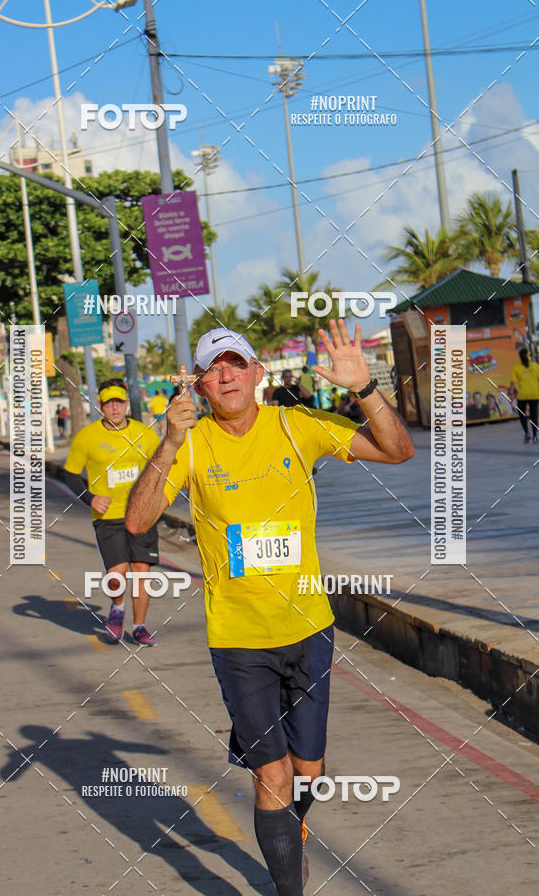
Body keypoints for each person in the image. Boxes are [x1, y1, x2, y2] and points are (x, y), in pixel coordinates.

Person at [125, 322, 414, 895]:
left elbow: (397, 450)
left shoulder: (295, 424)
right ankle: (287, 885)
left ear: (258, 374)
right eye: (214, 367)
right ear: (201, 384)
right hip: (238, 639)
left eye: (237, 363)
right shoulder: (192, 442)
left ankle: (289, 833)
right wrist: (168, 441)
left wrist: (365, 388)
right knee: (272, 775)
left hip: (309, 629)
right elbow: (137, 521)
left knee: (308, 772)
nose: (227, 374)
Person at [63, 379, 161, 645]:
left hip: (141, 514)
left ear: (126, 404)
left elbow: (162, 467)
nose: (115, 408)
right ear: (100, 406)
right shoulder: (87, 437)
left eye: (119, 402)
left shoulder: (145, 433)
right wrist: (90, 498)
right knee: (117, 575)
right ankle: (117, 608)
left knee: (141, 570)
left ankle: (139, 627)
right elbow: (70, 473)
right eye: (109, 403)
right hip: (108, 517)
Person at [509, 347, 539, 443]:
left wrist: (511, 393)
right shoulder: (535, 366)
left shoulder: (516, 367)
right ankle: (535, 437)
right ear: (529, 355)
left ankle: (527, 433)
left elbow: (513, 383)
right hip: (534, 394)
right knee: (534, 416)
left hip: (522, 395)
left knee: (522, 415)